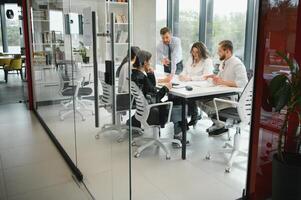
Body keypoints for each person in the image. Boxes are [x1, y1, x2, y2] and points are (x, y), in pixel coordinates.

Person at [202, 40, 248, 136]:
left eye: (220, 51)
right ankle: (219, 123)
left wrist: (222, 82)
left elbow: (243, 83)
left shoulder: (237, 64)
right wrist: (213, 77)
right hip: (221, 94)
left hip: (230, 100)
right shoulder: (224, 62)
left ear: (227, 51)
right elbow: (221, 78)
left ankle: (220, 124)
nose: (218, 53)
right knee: (199, 100)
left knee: (202, 102)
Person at [131, 50, 172, 128]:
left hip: (142, 109)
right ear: (145, 62)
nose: (150, 63)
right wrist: (165, 88)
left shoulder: (135, 74)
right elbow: (154, 98)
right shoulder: (142, 78)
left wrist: (150, 74)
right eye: (149, 61)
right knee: (178, 104)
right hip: (151, 111)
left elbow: (151, 88)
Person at [178, 42, 214, 126]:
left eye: (197, 52)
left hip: (201, 87)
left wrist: (190, 78)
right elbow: (185, 70)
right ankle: (183, 121)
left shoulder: (207, 61)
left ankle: (194, 115)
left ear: (202, 52)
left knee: (187, 97)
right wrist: (182, 75)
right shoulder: (191, 59)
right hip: (188, 85)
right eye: (193, 52)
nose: (194, 54)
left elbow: (206, 76)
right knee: (178, 96)